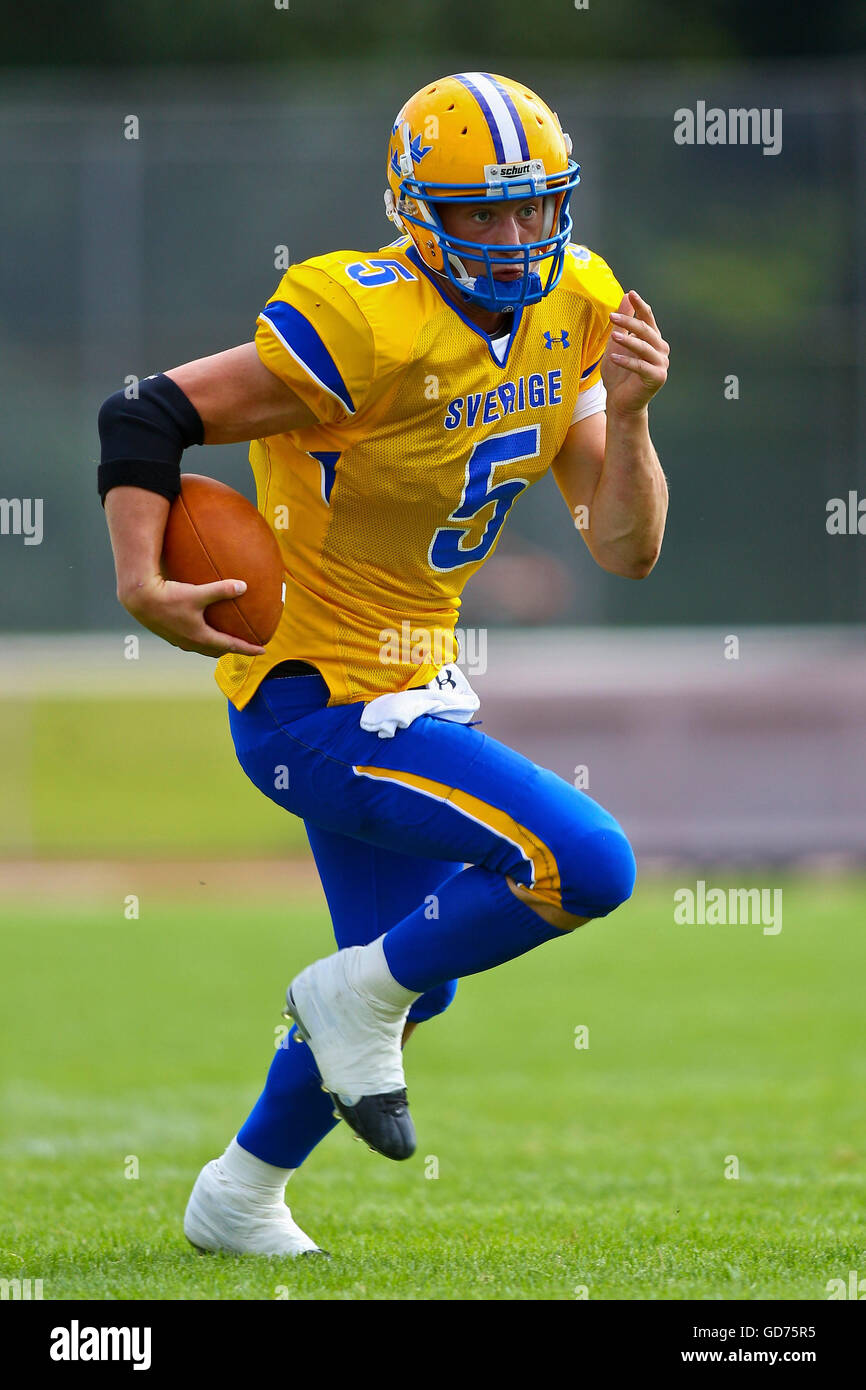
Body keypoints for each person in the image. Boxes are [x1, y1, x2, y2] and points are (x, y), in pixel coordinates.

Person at [98, 71, 669, 1257]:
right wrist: (143, 580)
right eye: (480, 212)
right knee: (584, 861)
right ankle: (343, 1000)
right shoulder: (362, 319)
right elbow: (143, 414)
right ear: (418, 210)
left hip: (411, 687)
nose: (513, 236)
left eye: (532, 207)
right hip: (314, 698)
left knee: (417, 979)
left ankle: (238, 1194)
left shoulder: (577, 302)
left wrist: (633, 414)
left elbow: (624, 549)